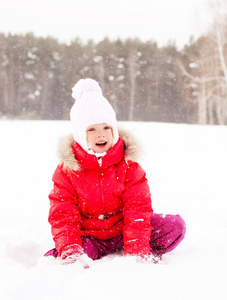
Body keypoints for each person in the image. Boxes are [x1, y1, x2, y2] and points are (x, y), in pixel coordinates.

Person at [45, 78, 186, 267]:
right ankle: (71, 254)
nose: (101, 134)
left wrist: (136, 250)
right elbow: (63, 214)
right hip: (90, 237)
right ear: (80, 133)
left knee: (174, 227)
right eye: (91, 129)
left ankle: (129, 245)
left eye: (106, 127)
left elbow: (138, 210)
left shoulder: (129, 167)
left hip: (123, 232)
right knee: (62, 256)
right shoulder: (68, 171)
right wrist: (71, 249)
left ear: (114, 131)